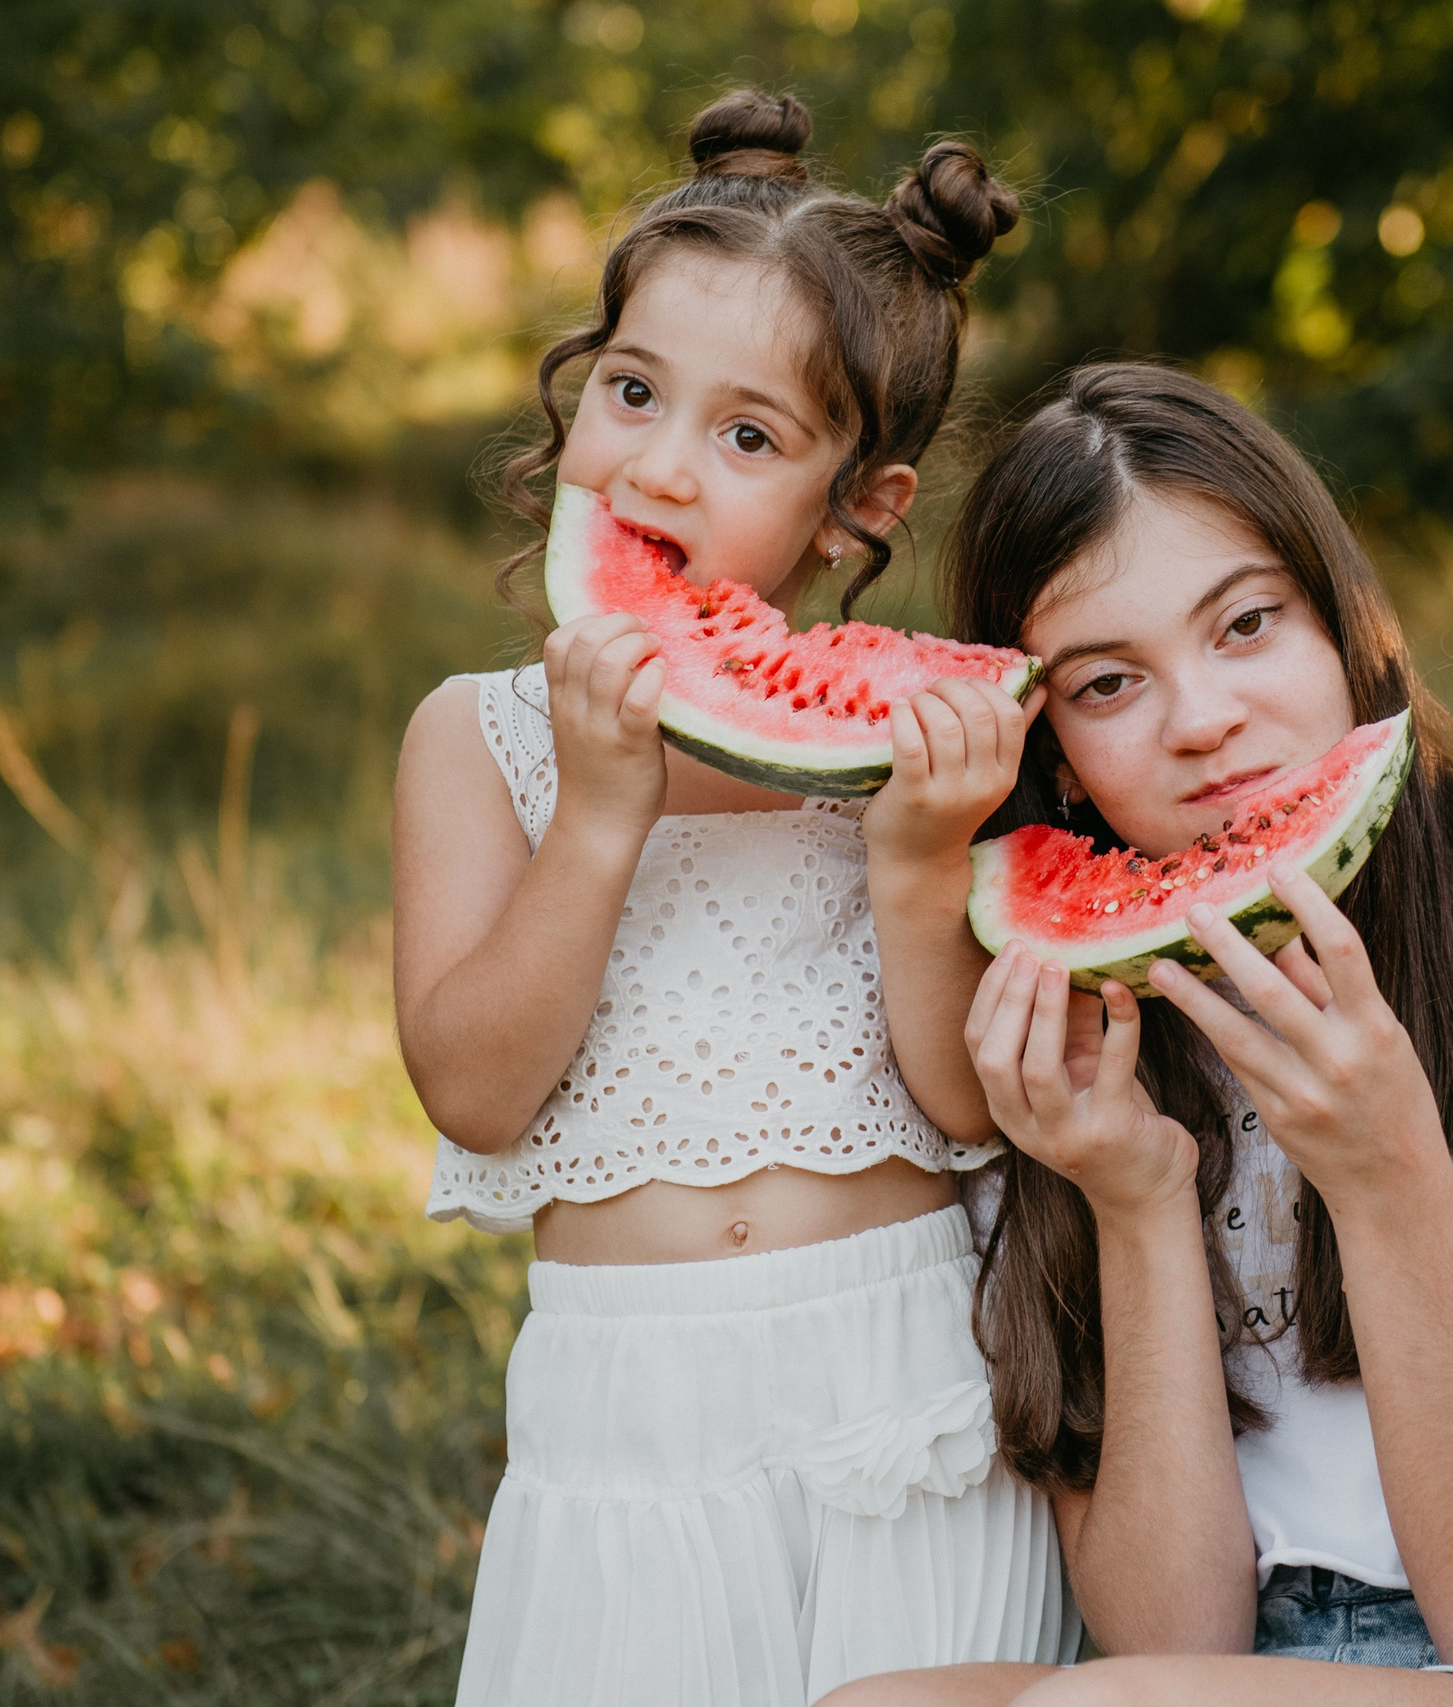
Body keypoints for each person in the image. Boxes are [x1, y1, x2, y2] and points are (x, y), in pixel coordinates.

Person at [835, 364, 1453, 1707]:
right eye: (1109, 683)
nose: (1203, 719)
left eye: (1245, 625)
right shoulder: (1062, 1016)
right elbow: (1174, 1630)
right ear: (1050, 754)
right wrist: (1136, 1194)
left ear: (1343, 622)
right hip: (1240, 1671)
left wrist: (1387, 1166)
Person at [391, 89, 1074, 1707]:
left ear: (865, 509)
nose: (664, 468)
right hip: (624, 1431)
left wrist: (919, 862)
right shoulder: (474, 738)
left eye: (749, 434)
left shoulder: (931, 748)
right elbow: (479, 1093)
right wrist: (597, 820)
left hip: (912, 1415)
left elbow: (978, 1115)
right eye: (634, 391)